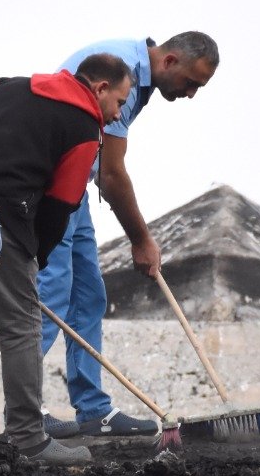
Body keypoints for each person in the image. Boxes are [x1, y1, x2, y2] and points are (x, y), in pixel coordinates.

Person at [0, 55, 135, 464]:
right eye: (119, 101)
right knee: (22, 327)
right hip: (5, 216)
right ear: (99, 89)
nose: (118, 113)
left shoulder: (8, 85)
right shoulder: (85, 124)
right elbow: (61, 205)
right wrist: (37, 258)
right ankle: (28, 438)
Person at [38, 32, 219, 439]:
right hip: (51, 183)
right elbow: (112, 173)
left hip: (75, 184)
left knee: (88, 295)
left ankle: (93, 410)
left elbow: (100, 167)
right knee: (53, 289)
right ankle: (26, 411)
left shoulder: (138, 73)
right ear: (170, 60)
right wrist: (141, 240)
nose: (190, 94)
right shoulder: (122, 71)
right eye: (191, 82)